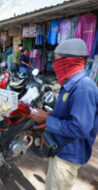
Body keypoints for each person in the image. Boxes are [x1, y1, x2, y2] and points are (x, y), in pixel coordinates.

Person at [31, 38, 98, 190]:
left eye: (56, 60)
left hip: (68, 153)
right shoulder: (70, 84)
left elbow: (80, 128)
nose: (53, 65)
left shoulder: (84, 88)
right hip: (60, 148)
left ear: (68, 61)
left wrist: (48, 119)